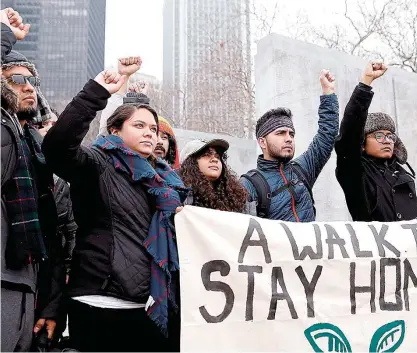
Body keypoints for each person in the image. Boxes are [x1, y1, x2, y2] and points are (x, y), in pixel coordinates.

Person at [42, 70, 188, 352]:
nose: (149, 133)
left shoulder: (165, 182)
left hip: (147, 307)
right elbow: (58, 147)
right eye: (139, 125)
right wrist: (98, 92)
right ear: (115, 131)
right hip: (100, 303)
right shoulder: (97, 163)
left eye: (153, 129)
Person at [1, 8, 64, 352]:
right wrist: (4, 33)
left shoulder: (36, 150)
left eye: (32, 82)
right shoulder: (3, 133)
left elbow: (56, 234)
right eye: (17, 80)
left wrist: (53, 302)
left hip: (29, 288)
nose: (29, 88)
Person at [240, 70, 339, 222]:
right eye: (280, 133)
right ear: (262, 142)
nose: (289, 139)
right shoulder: (249, 185)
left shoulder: (302, 169)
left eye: (291, 134)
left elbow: (327, 135)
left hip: (310, 246)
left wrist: (328, 93)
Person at [335, 62, 417, 222]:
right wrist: (365, 84)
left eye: (391, 136)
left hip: (414, 245)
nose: (387, 141)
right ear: (362, 144)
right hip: (379, 245)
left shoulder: (403, 174)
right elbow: (350, 133)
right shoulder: (356, 172)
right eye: (379, 135)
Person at [178, 139, 254, 214]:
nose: (215, 160)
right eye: (206, 155)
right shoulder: (178, 194)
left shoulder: (238, 198)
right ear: (190, 163)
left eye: (217, 157)